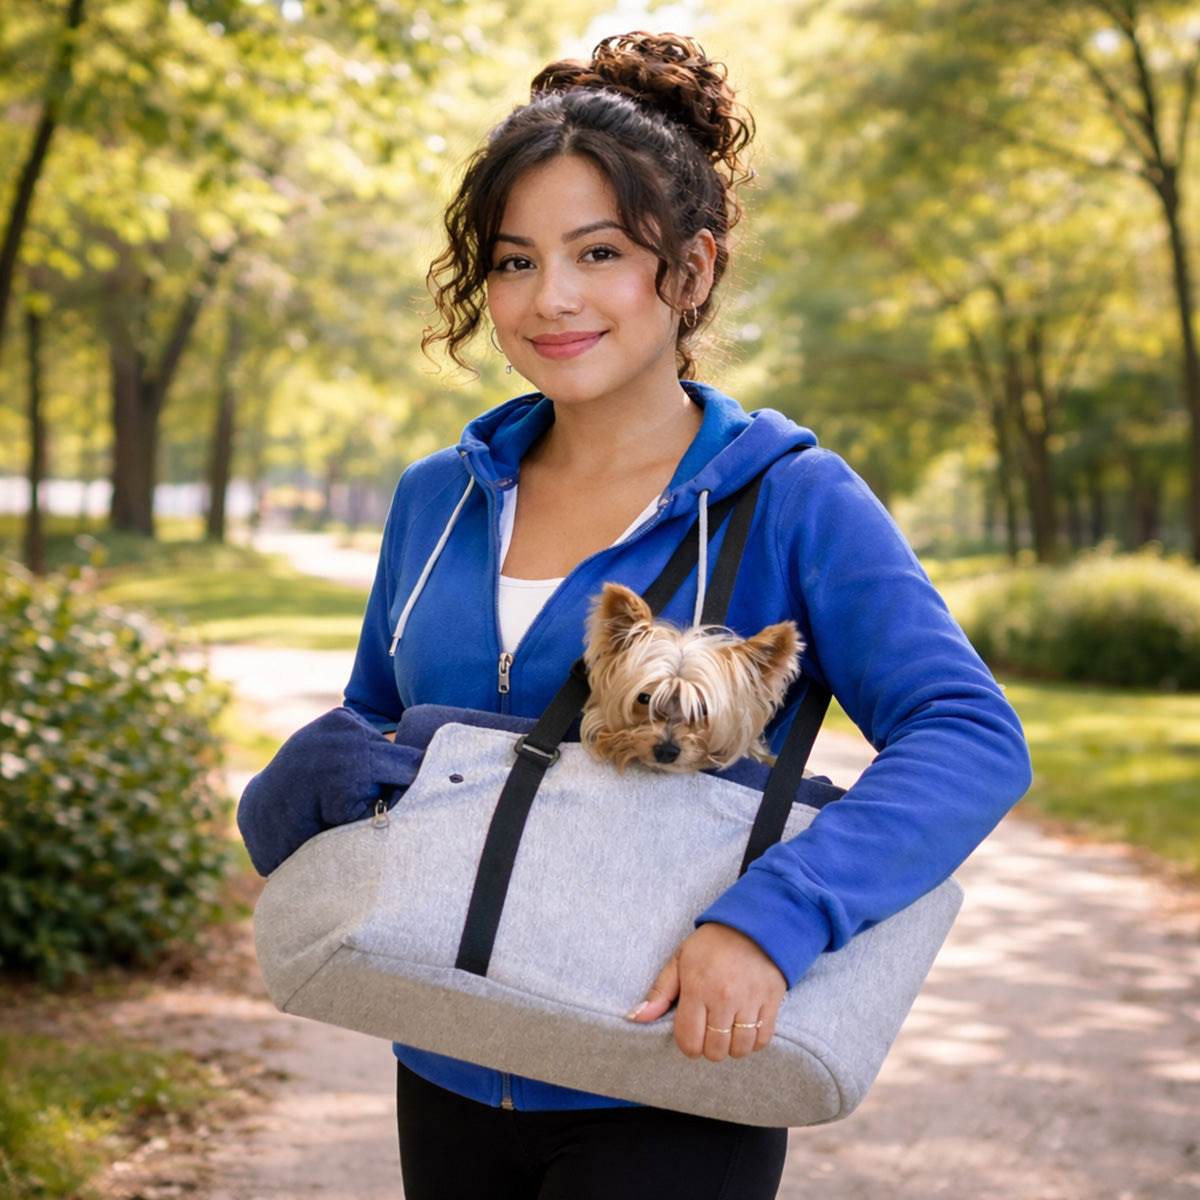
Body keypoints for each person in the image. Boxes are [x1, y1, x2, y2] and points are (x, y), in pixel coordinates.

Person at [254, 30, 1032, 1200]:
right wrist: (319, 775)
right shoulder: (438, 497)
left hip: (667, 1078)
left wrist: (777, 919)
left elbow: (970, 738)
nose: (548, 300)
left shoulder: (789, 500)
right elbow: (392, 730)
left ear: (694, 269)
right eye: (513, 262)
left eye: (599, 253)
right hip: (449, 1053)